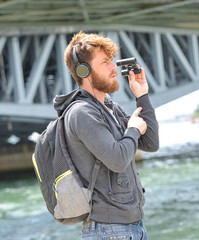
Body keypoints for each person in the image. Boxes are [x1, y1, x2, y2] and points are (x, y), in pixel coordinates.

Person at [53, 31, 159, 239]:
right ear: (84, 71)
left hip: (131, 227)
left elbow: (151, 142)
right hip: (109, 230)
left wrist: (142, 96)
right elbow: (118, 160)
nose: (114, 68)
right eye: (105, 62)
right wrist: (133, 129)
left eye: (111, 61)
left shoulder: (111, 107)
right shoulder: (81, 112)